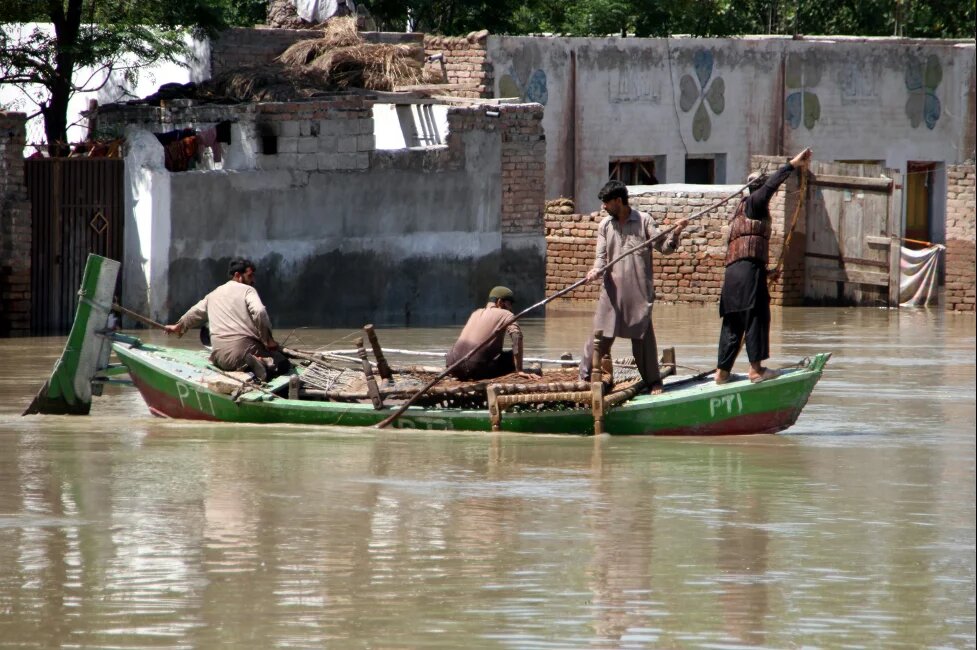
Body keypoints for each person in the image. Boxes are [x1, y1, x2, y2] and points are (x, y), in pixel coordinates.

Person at [579, 180, 689, 394]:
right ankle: (583, 376)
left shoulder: (644, 221)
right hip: (611, 292)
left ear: (618, 201)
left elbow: (665, 248)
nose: (603, 207)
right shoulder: (605, 226)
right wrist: (595, 271)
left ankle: (653, 381)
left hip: (638, 293)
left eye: (606, 203)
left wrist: (676, 233)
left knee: (643, 339)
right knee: (599, 336)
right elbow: (600, 259)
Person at [715, 147, 813, 384]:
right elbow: (770, 187)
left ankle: (722, 372)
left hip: (735, 275)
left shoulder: (739, 210)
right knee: (757, 315)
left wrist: (766, 272)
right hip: (747, 274)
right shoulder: (755, 203)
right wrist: (793, 164)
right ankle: (756, 370)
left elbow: (744, 252)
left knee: (734, 322)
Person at [164, 258, 288, 381]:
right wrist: (269, 341)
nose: (253, 280)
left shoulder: (213, 294)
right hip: (244, 353)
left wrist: (178, 327)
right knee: (283, 362)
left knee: (239, 355)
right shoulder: (248, 290)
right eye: (250, 276)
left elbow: (194, 313)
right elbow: (260, 311)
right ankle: (263, 362)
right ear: (238, 275)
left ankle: (258, 363)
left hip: (220, 358)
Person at [446, 286, 528, 381]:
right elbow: (517, 336)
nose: (511, 308)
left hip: (452, 365)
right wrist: (520, 370)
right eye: (510, 304)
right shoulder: (506, 314)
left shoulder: (476, 313)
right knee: (510, 357)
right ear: (500, 302)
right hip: (475, 368)